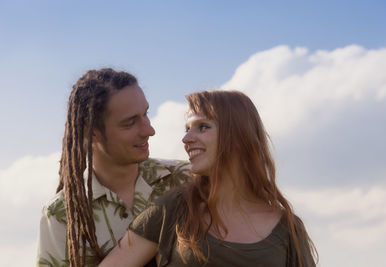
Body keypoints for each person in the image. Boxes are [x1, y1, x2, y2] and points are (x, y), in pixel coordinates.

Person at [99, 90, 318, 267]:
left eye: (202, 127)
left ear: (239, 136)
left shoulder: (287, 227)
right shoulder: (172, 210)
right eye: (187, 129)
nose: (186, 138)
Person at [36, 68, 191, 267]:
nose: (149, 130)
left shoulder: (187, 178)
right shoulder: (60, 214)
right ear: (91, 132)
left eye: (145, 114)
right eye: (130, 123)